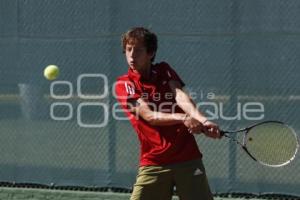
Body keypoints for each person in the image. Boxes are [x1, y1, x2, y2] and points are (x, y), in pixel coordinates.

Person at [115, 27, 221, 200]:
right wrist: (184, 118)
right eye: (128, 49)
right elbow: (149, 115)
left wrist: (203, 120)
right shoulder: (124, 84)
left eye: (138, 50)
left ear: (151, 53)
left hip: (188, 159)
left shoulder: (164, 70)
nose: (132, 55)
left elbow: (180, 96)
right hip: (154, 162)